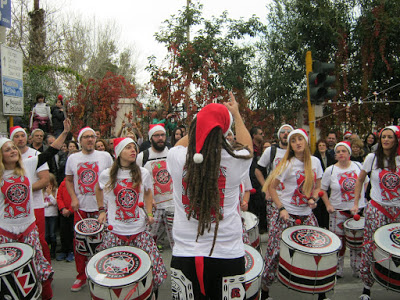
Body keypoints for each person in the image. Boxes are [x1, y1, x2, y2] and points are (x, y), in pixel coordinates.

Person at [167, 92, 253, 299]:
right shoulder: (235, 160)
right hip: (227, 254)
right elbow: (247, 146)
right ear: (224, 129)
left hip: (185, 254)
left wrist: (201, 121)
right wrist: (235, 114)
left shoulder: (176, 157)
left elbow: (183, 144)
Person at [0, 119, 71, 300]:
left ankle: (45, 296)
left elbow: (50, 152)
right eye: (8, 149)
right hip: (6, 231)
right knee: (8, 272)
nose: (13, 151)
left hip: (28, 228)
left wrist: (64, 133)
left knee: (39, 267)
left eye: (13, 148)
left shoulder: (28, 165)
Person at [97, 137, 167, 296]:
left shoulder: (143, 172)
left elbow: (148, 193)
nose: (133, 150)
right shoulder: (106, 174)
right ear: (118, 152)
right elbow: (98, 189)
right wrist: (102, 210)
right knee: (117, 275)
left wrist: (149, 213)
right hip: (116, 232)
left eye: (134, 147)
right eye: (128, 147)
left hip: (139, 231)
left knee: (149, 273)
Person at [260, 128, 323, 300]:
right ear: (291, 145)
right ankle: (264, 291)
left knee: (318, 252)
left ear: (306, 142)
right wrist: (281, 209)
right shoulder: (287, 164)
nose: (297, 143)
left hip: (306, 215)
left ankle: (321, 293)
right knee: (274, 254)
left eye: (300, 139)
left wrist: (313, 198)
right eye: (293, 140)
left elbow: (318, 186)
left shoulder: (315, 162)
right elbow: (271, 188)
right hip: (287, 215)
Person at [352, 126, 400, 300]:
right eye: (383, 137)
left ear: (396, 140)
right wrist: (357, 202)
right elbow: (360, 179)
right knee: (370, 245)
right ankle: (366, 288)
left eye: (390, 137)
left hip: (398, 210)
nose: (386, 140)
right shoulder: (372, 158)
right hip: (377, 208)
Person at [65, 126, 114, 292]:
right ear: (80, 141)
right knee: (80, 244)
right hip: (82, 208)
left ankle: (105, 274)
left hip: (102, 208)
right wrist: (73, 198)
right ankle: (81, 276)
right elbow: (69, 180)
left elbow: (113, 178)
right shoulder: (73, 158)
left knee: (105, 241)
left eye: (92, 136)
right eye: (86, 137)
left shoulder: (105, 156)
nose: (90, 139)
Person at [320, 141, 368, 278]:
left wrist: (360, 198)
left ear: (349, 153)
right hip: (338, 211)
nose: (341, 153)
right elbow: (322, 190)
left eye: (344, 151)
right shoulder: (330, 170)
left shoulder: (358, 166)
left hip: (357, 211)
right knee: (338, 243)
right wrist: (328, 205)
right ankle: (337, 269)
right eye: (338, 151)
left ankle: (357, 268)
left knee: (357, 243)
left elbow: (366, 182)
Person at [136, 123, 174, 251]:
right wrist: (147, 199)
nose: (160, 138)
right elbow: (137, 181)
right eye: (157, 135)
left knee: (177, 241)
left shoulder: (172, 153)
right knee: (148, 239)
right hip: (152, 206)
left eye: (162, 135)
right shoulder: (142, 157)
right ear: (151, 138)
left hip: (172, 204)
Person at [255, 124, 293, 233]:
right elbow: (258, 171)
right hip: (274, 197)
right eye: (283, 132)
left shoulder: (296, 152)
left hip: (291, 198)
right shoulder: (271, 151)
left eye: (288, 131)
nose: (286, 133)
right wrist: (266, 188)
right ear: (279, 135)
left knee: (290, 232)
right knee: (274, 231)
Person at [313, 138, 336, 229]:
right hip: (319, 183)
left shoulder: (330, 157)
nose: (322, 147)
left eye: (323, 145)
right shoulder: (315, 158)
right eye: (320, 146)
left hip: (329, 185)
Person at [56, 176, 75, 262]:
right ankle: (64, 250)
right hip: (63, 213)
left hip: (73, 212)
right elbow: (59, 197)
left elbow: (77, 198)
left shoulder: (76, 184)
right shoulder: (63, 184)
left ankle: (72, 251)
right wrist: (63, 208)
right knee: (63, 232)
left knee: (72, 232)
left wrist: (70, 210)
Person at [44, 173, 58, 259]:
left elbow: (55, 202)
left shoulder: (56, 191)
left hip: (53, 215)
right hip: (44, 215)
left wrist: (50, 194)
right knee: (46, 235)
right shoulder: (42, 192)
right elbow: (41, 204)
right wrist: (48, 203)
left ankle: (53, 252)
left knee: (52, 234)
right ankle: (47, 252)